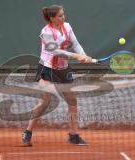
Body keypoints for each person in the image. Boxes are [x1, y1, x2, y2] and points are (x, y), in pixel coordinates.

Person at [21, 4, 93, 146]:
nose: (63, 17)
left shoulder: (67, 26)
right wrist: (76, 56)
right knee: (45, 101)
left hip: (63, 69)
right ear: (51, 18)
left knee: (72, 101)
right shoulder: (46, 32)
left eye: (63, 14)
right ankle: (28, 132)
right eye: (60, 15)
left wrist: (83, 56)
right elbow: (56, 52)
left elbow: (76, 43)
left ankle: (73, 136)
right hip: (47, 68)